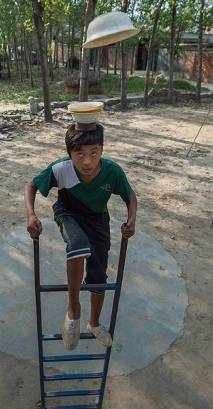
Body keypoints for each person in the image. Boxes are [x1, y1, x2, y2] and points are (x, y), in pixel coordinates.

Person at [24, 120, 137, 350]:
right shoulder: (61, 169)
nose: (87, 161)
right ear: (69, 153)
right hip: (69, 212)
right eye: (79, 154)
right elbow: (31, 186)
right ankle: (73, 311)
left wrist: (131, 219)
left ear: (102, 150)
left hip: (97, 220)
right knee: (77, 245)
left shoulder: (112, 172)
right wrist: (31, 215)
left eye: (94, 153)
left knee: (98, 275)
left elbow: (130, 196)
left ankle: (94, 324)